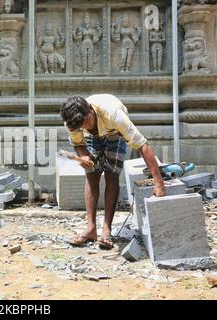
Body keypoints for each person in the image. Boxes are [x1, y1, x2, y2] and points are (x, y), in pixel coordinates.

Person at [60, 94, 165, 249]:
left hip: (115, 133)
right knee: (91, 176)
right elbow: (78, 143)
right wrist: (83, 156)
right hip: (91, 139)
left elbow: (142, 145)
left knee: (112, 175)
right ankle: (91, 229)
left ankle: (106, 230)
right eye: (81, 127)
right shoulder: (73, 121)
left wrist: (158, 182)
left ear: (90, 110)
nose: (86, 127)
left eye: (87, 122)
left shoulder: (114, 114)